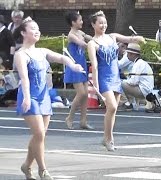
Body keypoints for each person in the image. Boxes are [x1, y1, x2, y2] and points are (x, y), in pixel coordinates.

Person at [13, 17, 84, 180]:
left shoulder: (42, 51)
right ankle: (43, 170)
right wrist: (26, 98)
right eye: (32, 28)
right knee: (39, 133)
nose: (37, 31)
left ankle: (26, 165)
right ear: (23, 33)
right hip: (29, 96)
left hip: (44, 96)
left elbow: (61, 58)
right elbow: (24, 78)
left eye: (37, 28)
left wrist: (73, 65)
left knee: (41, 135)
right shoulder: (20, 54)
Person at [87, 11, 145, 151]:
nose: (103, 25)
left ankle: (107, 138)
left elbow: (128, 39)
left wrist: (138, 38)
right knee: (111, 106)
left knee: (113, 110)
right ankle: (109, 139)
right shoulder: (92, 43)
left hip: (115, 76)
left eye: (105, 22)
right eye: (100, 23)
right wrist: (95, 84)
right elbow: (94, 65)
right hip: (104, 77)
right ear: (93, 24)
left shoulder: (112, 37)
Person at [64, 11, 93, 130]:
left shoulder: (80, 32)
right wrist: (93, 46)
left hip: (82, 64)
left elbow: (90, 38)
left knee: (86, 94)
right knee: (81, 93)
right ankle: (69, 117)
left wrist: (99, 39)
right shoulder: (71, 35)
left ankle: (83, 121)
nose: (82, 22)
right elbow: (83, 43)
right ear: (73, 22)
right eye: (80, 20)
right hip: (74, 65)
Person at [121, 43, 155, 111]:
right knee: (126, 83)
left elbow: (133, 82)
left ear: (133, 54)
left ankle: (127, 103)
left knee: (121, 83)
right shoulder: (141, 63)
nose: (127, 56)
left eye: (128, 53)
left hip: (143, 90)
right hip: (146, 90)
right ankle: (133, 103)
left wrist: (124, 80)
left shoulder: (138, 64)